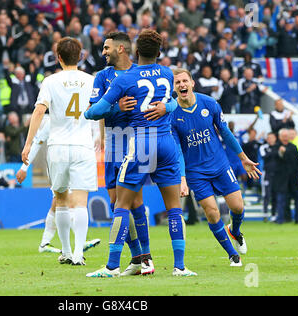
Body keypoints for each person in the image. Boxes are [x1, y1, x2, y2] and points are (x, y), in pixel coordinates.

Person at [85, 30, 196, 277]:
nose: (104, 52)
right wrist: (166, 106)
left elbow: (95, 111)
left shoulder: (126, 78)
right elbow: (179, 100)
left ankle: (113, 266)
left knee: (121, 206)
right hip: (164, 142)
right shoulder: (168, 74)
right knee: (174, 208)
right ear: (159, 52)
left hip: (140, 143)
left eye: (107, 47)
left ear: (134, 51)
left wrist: (88, 113)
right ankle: (179, 266)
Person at [169, 68, 262, 266]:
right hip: (196, 172)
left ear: (192, 83)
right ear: (174, 87)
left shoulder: (209, 103)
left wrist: (243, 158)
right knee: (212, 212)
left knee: (237, 206)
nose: (182, 85)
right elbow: (177, 150)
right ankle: (232, 254)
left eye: (185, 81)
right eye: (177, 83)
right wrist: (183, 178)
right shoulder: (172, 115)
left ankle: (235, 231)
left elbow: (226, 133)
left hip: (220, 165)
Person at [21, 37, 97, 266]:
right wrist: (100, 137)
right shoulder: (91, 80)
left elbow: (38, 112)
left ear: (59, 58)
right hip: (83, 145)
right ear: (81, 56)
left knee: (61, 199)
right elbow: (101, 109)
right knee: (81, 201)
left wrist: (28, 143)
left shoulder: (51, 81)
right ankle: (77, 253)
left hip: (58, 147)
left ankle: (65, 250)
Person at [89, 32, 153, 276]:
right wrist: (115, 109)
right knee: (116, 203)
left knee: (134, 202)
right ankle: (137, 258)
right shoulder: (102, 77)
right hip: (113, 144)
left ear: (121, 49)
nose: (103, 52)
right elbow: (93, 109)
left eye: (107, 48)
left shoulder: (140, 73)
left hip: (135, 143)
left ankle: (143, 259)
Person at [16, 116, 100, 254]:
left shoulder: (78, 120)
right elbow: (38, 141)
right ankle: (77, 243)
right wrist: (24, 168)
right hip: (57, 164)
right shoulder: (54, 120)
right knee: (65, 201)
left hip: (74, 163)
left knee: (59, 203)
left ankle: (46, 242)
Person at [274, 128, 298, 224]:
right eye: (283, 136)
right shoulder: (276, 147)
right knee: (281, 200)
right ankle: (280, 219)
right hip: (281, 179)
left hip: (294, 178)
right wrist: (281, 153)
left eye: (286, 136)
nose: (285, 138)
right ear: (279, 137)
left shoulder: (293, 147)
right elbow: (276, 157)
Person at [259, 132, 279, 220]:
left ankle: (274, 214)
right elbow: (265, 156)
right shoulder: (263, 147)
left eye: (272, 137)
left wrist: (273, 150)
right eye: (269, 138)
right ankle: (265, 213)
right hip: (267, 174)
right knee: (266, 194)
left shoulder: (279, 146)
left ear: (275, 138)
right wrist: (274, 151)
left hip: (277, 174)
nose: (270, 139)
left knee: (275, 194)